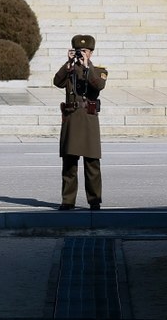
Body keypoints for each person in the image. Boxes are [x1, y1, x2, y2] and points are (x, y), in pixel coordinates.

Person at [53, 34, 109, 211]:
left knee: (92, 163)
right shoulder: (69, 69)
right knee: (69, 162)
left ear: (91, 52)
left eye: (84, 51)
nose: (81, 54)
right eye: (79, 51)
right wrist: (68, 63)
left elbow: (98, 85)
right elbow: (57, 82)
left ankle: (94, 200)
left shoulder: (99, 70)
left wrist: (86, 66)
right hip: (71, 117)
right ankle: (68, 200)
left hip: (89, 118)